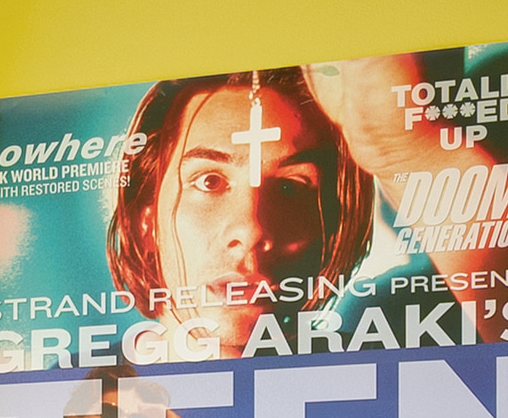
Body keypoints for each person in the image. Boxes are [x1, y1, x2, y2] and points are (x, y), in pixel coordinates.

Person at [105, 67, 379, 359]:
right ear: (146, 225)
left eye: (290, 187)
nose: (251, 230)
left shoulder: (381, 369)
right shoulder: (75, 389)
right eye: (210, 182)